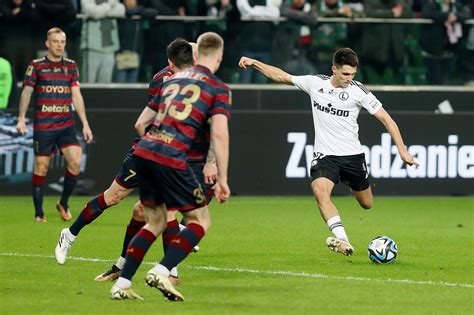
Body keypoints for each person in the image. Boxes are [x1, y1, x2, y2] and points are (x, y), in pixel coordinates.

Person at [55, 40, 214, 285]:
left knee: (148, 210)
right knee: (113, 196)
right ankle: (70, 233)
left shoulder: (196, 80)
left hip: (167, 155)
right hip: (149, 150)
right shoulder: (165, 81)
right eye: (194, 52)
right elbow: (154, 121)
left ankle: (149, 271)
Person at [238, 47, 417, 256]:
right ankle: (343, 240)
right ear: (334, 69)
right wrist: (254, 62)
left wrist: (402, 151)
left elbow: (388, 120)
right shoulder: (316, 83)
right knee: (320, 193)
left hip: (352, 157)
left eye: (353, 74)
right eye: (345, 74)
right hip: (325, 156)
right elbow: (281, 76)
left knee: (366, 204)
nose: (349, 78)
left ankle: (350, 184)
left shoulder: (359, 91)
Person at [111, 32, 231, 302]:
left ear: (198, 55)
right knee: (201, 220)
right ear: (219, 57)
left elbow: (141, 123)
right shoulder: (218, 87)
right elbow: (220, 135)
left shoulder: (171, 79)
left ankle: (122, 283)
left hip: (144, 151)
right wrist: (222, 178)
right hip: (172, 157)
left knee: (154, 221)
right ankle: (162, 270)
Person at [16, 27, 93, 222]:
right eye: (56, 41)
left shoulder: (71, 66)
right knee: (41, 167)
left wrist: (85, 123)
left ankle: (63, 202)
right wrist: (21, 118)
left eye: (62, 42)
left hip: (66, 125)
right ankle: (39, 213)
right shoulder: (36, 66)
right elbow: (26, 92)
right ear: (47, 44)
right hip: (44, 126)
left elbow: (76, 95)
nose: (59, 45)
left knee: (75, 161)